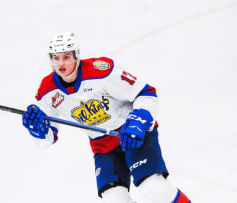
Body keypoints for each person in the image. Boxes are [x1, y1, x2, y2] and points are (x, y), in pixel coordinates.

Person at [22, 32, 191, 203]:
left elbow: (146, 93)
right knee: (114, 199)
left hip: (133, 135)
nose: (61, 63)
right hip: (103, 147)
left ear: (76, 56)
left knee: (153, 187)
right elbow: (46, 141)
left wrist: (137, 122)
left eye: (66, 56)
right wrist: (37, 129)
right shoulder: (46, 91)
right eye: (56, 58)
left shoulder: (100, 72)